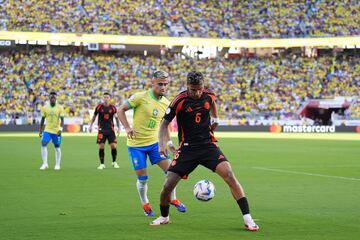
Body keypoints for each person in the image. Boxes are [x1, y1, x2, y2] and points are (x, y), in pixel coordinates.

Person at [151, 71, 259, 231]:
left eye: (200, 89)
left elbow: (213, 105)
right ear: (187, 86)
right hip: (187, 149)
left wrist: (215, 119)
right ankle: (164, 216)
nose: (198, 93)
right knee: (168, 185)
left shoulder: (209, 95)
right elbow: (163, 124)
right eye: (194, 90)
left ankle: (248, 218)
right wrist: (164, 143)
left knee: (229, 175)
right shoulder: (179, 101)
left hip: (208, 146)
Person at [117, 70, 186, 217]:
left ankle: (173, 199)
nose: (163, 87)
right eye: (160, 84)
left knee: (172, 172)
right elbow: (120, 110)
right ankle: (145, 203)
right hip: (136, 146)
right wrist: (127, 127)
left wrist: (168, 143)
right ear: (152, 83)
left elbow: (165, 125)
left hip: (155, 143)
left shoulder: (167, 104)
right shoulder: (140, 97)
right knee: (143, 178)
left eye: (165, 85)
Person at [89, 92, 121, 170]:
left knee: (113, 145)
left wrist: (119, 127)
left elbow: (116, 118)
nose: (106, 99)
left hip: (111, 130)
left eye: (107, 97)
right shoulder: (99, 107)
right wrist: (90, 125)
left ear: (109, 98)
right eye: (104, 97)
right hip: (102, 130)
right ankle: (102, 164)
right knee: (101, 146)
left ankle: (114, 162)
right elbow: (94, 116)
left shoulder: (113, 107)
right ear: (103, 98)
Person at [39, 91, 65, 170]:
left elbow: (62, 120)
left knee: (57, 147)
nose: (53, 98)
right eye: (51, 97)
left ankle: (57, 165)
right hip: (47, 130)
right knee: (43, 143)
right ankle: (45, 164)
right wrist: (40, 130)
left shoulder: (60, 107)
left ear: (56, 98)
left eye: (54, 97)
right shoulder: (45, 107)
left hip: (56, 131)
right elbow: (42, 119)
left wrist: (60, 129)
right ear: (49, 98)